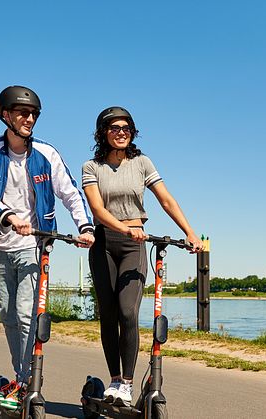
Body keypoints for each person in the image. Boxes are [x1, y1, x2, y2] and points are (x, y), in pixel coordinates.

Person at [0, 85, 95, 401]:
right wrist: (9, 216)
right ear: (6, 116)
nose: (29, 118)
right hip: (2, 245)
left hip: (35, 246)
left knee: (27, 314)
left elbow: (70, 192)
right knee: (7, 314)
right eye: (23, 113)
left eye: (33, 114)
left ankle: (28, 382)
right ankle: (20, 377)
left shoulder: (47, 154)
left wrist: (85, 227)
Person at [81, 106, 203, 405]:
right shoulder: (91, 167)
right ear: (103, 132)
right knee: (108, 315)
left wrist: (190, 231)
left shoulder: (142, 162)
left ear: (132, 132)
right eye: (114, 128)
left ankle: (127, 383)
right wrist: (122, 227)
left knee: (128, 312)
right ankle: (112, 382)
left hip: (134, 244)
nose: (121, 132)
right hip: (103, 244)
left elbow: (166, 199)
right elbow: (97, 210)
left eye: (126, 127)